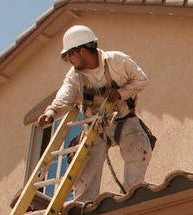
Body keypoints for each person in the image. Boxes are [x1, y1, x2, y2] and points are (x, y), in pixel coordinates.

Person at [38, 25, 155, 201]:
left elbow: (142, 80)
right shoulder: (74, 77)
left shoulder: (117, 61)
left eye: (70, 54)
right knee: (85, 164)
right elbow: (65, 97)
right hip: (95, 126)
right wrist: (51, 113)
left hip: (124, 119)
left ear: (82, 51)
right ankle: (84, 204)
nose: (69, 60)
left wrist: (120, 94)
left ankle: (132, 196)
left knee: (139, 148)